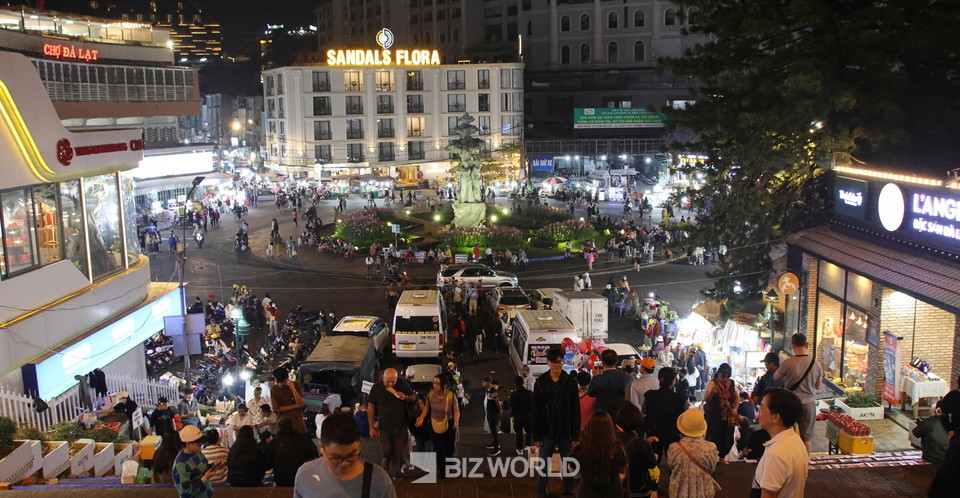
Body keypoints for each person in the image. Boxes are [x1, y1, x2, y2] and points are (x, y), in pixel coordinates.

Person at [294, 412, 397, 498]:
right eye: (336, 458)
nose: (344, 463)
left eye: (351, 455)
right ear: (321, 447)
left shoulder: (379, 479)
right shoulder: (305, 474)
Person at [533, 348, 581, 497]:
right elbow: (536, 409)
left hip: (565, 430)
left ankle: (568, 490)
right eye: (554, 362)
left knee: (567, 462)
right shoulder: (541, 382)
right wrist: (537, 435)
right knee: (544, 464)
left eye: (559, 362)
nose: (556, 365)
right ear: (548, 363)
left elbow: (575, 409)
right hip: (547, 430)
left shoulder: (570, 382)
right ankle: (542, 491)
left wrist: (575, 434)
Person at [751, 389, 808, 497]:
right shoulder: (795, 440)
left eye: (762, 407)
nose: (759, 412)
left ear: (776, 417)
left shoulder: (776, 454)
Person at [774, 333, 823, 453]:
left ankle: (790, 460)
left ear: (793, 345)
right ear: (807, 344)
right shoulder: (816, 363)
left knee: (788, 434)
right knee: (807, 438)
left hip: (791, 403)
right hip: (809, 403)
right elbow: (818, 385)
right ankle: (804, 464)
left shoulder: (788, 362)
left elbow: (776, 377)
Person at [367, 368, 417, 477]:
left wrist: (405, 397)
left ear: (397, 378)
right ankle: (385, 469)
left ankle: (396, 474)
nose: (390, 384)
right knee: (387, 451)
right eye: (387, 381)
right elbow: (371, 407)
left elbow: (413, 397)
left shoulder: (403, 383)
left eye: (393, 381)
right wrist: (371, 427)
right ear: (382, 378)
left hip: (401, 425)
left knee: (399, 451)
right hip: (384, 426)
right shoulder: (376, 387)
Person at [572, 411, 628, 498]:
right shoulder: (618, 448)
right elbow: (622, 470)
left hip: (587, 491)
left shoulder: (581, 448)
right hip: (613, 491)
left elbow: (572, 470)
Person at [415, 374, 460, 478]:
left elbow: (456, 410)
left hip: (448, 425)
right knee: (439, 449)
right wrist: (421, 417)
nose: (434, 385)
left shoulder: (450, 395)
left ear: (444, 385)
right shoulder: (430, 394)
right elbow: (427, 407)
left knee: (449, 449)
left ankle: (447, 469)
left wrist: (456, 421)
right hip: (434, 424)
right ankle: (442, 470)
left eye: (437, 383)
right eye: (434, 382)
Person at [667, 408, 719, 498]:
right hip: (704, 490)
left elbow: (670, 466)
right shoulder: (711, 447)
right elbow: (712, 469)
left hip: (679, 491)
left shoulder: (674, 448)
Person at [643, 367, 689, 459]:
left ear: (660, 379)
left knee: (654, 461)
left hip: (654, 433)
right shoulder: (681, 398)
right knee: (673, 461)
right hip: (673, 434)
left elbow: (644, 411)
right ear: (673, 381)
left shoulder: (649, 395)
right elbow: (685, 416)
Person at [615, 402, 659, 498]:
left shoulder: (613, 441)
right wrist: (653, 457)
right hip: (639, 489)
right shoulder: (642, 444)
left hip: (618, 488)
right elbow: (652, 465)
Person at [703, 362, 740, 459]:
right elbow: (706, 400)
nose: (724, 379)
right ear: (718, 374)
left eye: (727, 377)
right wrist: (712, 393)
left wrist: (735, 409)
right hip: (715, 416)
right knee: (714, 437)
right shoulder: (712, 383)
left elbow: (736, 397)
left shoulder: (731, 383)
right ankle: (712, 458)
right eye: (723, 376)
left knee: (727, 438)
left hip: (728, 416)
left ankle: (722, 456)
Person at [269, 417, 319, 486]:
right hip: (301, 476)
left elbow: (269, 460)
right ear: (292, 426)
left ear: (279, 427)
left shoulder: (275, 441)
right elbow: (314, 454)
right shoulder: (303, 438)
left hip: (281, 478)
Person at [172, 425, 217, 498]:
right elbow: (185, 494)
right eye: (198, 442)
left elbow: (201, 469)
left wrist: (212, 466)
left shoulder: (197, 452)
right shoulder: (181, 464)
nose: (201, 444)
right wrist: (204, 478)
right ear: (188, 444)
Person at [587, 349, 634, 416]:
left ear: (602, 362)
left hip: (601, 415)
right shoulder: (626, 377)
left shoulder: (597, 378)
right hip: (620, 414)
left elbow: (590, 393)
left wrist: (596, 376)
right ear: (617, 361)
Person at [271, 367, 307, 434]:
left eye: (282, 382)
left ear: (286, 379)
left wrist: (293, 389)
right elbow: (276, 409)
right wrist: (295, 406)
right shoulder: (274, 389)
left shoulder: (296, 385)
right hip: (282, 422)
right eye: (278, 382)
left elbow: (300, 403)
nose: (280, 384)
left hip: (297, 421)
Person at [510, 375, 534, 455]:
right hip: (528, 415)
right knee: (529, 431)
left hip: (518, 415)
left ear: (515, 384)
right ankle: (528, 446)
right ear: (523, 383)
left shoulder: (513, 395)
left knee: (519, 433)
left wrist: (512, 415)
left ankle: (519, 449)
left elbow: (512, 405)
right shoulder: (530, 393)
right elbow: (533, 405)